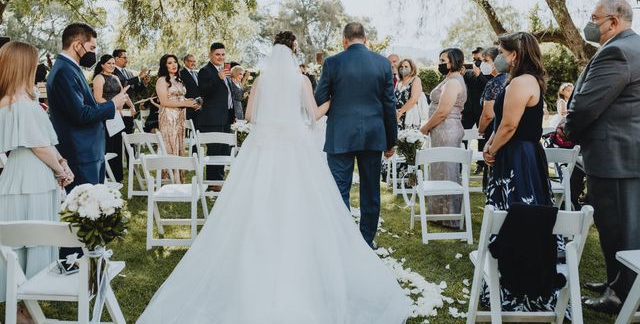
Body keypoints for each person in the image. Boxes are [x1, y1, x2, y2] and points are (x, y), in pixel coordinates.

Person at [137, 31, 410, 324]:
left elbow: (251, 115)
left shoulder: (262, 81)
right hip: (295, 150)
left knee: (254, 206)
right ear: (293, 51)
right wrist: (331, 101)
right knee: (304, 205)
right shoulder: (301, 80)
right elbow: (313, 114)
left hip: (263, 149)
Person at [561, 0, 640, 314]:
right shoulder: (633, 46)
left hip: (615, 157)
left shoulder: (617, 52)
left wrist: (567, 130)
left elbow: (587, 104)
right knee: (621, 226)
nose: (590, 23)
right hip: (624, 154)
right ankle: (616, 280)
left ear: (614, 21)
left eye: (595, 18)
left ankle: (622, 294)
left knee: (618, 227)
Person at [482, 32, 558, 313]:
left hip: (517, 156)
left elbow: (508, 126)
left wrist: (491, 149)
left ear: (514, 54)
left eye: (502, 51)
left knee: (517, 215)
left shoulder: (521, 82)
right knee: (524, 215)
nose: (499, 56)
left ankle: (517, 283)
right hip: (522, 152)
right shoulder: (528, 80)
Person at [0, 41, 74, 320]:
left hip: (15, 175)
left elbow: (40, 143)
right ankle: (23, 307)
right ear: (24, 66)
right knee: (34, 239)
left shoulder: (11, 102)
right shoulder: (23, 104)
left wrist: (60, 161)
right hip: (33, 176)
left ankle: (19, 304)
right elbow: (38, 147)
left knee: (16, 242)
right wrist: (61, 170)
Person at [315, 23, 397, 248]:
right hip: (373, 135)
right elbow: (389, 105)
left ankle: (343, 241)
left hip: (340, 134)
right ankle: (366, 241)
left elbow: (320, 97)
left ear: (344, 40)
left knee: (339, 189)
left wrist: (340, 110)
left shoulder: (332, 62)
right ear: (366, 39)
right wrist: (391, 141)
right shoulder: (382, 63)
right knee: (370, 190)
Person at [47, 23, 128, 190]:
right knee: (85, 208)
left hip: (89, 151)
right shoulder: (64, 71)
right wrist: (113, 104)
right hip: (80, 153)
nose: (93, 53)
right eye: (92, 48)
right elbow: (81, 113)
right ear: (77, 45)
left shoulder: (71, 68)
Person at [420, 48, 467, 227]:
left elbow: (442, 112)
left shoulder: (454, 82)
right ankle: (439, 214)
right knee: (438, 170)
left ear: (454, 61)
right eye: (439, 59)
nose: (440, 63)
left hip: (447, 129)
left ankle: (450, 216)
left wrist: (424, 128)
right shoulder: (448, 79)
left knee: (447, 171)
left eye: (443, 59)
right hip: (440, 130)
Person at [198, 42, 236, 191]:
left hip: (226, 117)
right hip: (212, 118)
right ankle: (212, 183)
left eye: (223, 54)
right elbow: (204, 92)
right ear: (210, 54)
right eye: (217, 54)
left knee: (224, 150)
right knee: (214, 150)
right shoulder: (205, 71)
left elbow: (227, 94)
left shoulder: (224, 71)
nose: (220, 57)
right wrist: (218, 78)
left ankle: (219, 180)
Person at [92, 54, 135, 182]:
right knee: (108, 144)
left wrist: (131, 106)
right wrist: (113, 106)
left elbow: (123, 94)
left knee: (117, 144)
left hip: (117, 115)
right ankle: (105, 176)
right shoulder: (99, 78)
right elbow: (98, 98)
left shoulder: (115, 77)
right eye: (109, 63)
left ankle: (117, 176)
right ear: (102, 65)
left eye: (113, 63)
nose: (111, 66)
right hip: (105, 114)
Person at [156, 54, 199, 168]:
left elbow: (180, 98)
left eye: (174, 62)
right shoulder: (161, 80)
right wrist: (184, 103)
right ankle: (168, 177)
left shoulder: (178, 79)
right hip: (168, 116)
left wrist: (190, 103)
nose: (173, 64)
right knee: (170, 144)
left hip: (180, 116)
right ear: (164, 66)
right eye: (169, 63)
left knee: (179, 144)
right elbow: (164, 102)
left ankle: (178, 177)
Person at [476, 46, 508, 190]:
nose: (483, 64)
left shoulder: (495, 83)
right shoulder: (508, 80)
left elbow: (488, 114)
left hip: (493, 130)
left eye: (486, 60)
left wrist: (481, 129)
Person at [113, 48, 149, 134]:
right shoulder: (112, 71)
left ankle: (130, 148)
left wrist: (144, 83)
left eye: (127, 57)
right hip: (118, 110)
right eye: (124, 58)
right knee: (119, 137)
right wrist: (138, 77)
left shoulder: (129, 73)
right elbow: (122, 85)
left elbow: (135, 89)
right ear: (116, 59)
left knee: (130, 134)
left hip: (130, 109)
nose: (127, 60)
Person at [179, 53, 201, 128]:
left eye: (194, 61)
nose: (193, 63)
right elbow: (180, 92)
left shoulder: (197, 74)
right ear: (185, 62)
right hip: (188, 109)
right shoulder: (180, 74)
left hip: (199, 108)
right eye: (191, 61)